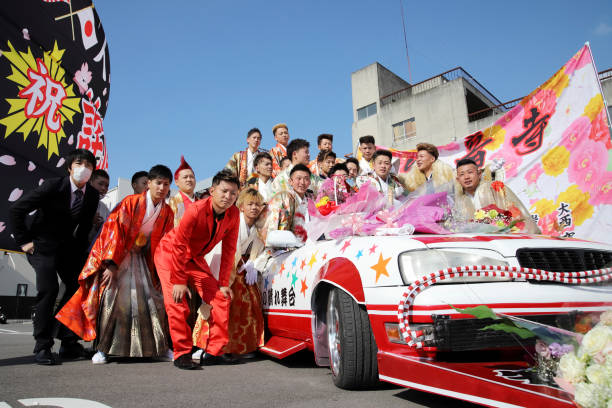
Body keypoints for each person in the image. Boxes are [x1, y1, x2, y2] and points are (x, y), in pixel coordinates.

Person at [56, 165, 175, 364]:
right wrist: (111, 264)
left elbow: (166, 241)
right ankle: (103, 349)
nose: (162, 188)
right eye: (158, 183)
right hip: (119, 257)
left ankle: (158, 348)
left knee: (152, 301)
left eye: (166, 184)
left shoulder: (167, 211)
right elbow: (113, 231)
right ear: (149, 184)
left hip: (144, 261)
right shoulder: (130, 202)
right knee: (110, 299)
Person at [9, 149, 99, 365]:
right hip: (42, 246)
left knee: (79, 286)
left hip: (68, 249)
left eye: (88, 165)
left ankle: (68, 341)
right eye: (79, 163)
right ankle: (42, 345)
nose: (83, 168)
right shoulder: (52, 186)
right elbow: (16, 210)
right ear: (69, 167)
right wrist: (24, 242)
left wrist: (80, 258)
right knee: (48, 290)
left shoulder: (93, 195)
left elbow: (84, 227)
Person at [155, 169, 241, 370]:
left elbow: (229, 250)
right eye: (224, 191)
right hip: (170, 254)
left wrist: (222, 284)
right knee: (178, 301)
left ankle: (213, 351)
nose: (228, 197)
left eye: (233, 193)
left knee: (220, 298)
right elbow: (178, 245)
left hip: (195, 258)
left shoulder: (234, 214)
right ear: (212, 190)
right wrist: (178, 280)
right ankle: (182, 353)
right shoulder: (196, 210)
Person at [194, 188, 266, 357]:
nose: (254, 208)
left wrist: (253, 264)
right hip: (225, 269)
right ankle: (205, 345)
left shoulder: (256, 230)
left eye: (257, 204)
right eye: (250, 204)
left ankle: (241, 346)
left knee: (248, 305)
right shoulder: (233, 222)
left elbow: (260, 251)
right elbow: (223, 250)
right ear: (241, 206)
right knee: (220, 305)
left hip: (243, 271)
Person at [453, 159, 540, 233]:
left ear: (479, 174)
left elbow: (514, 215)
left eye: (470, 172)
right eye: (462, 174)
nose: (466, 177)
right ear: (458, 179)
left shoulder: (492, 188)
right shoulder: (460, 200)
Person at [262, 164, 312, 245]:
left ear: (310, 182)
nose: (302, 182)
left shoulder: (311, 199)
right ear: (290, 182)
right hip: (286, 246)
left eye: (306, 179)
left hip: (308, 243)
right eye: (298, 178)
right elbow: (274, 225)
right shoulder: (284, 198)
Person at [169, 156, 197, 228]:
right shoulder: (172, 202)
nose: (189, 179)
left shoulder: (203, 202)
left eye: (191, 177)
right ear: (176, 182)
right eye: (185, 177)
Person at [88, 169, 111, 243]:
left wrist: (100, 228)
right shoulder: (79, 200)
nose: (104, 188)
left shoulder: (105, 209)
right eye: (100, 184)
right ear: (90, 182)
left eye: (106, 186)